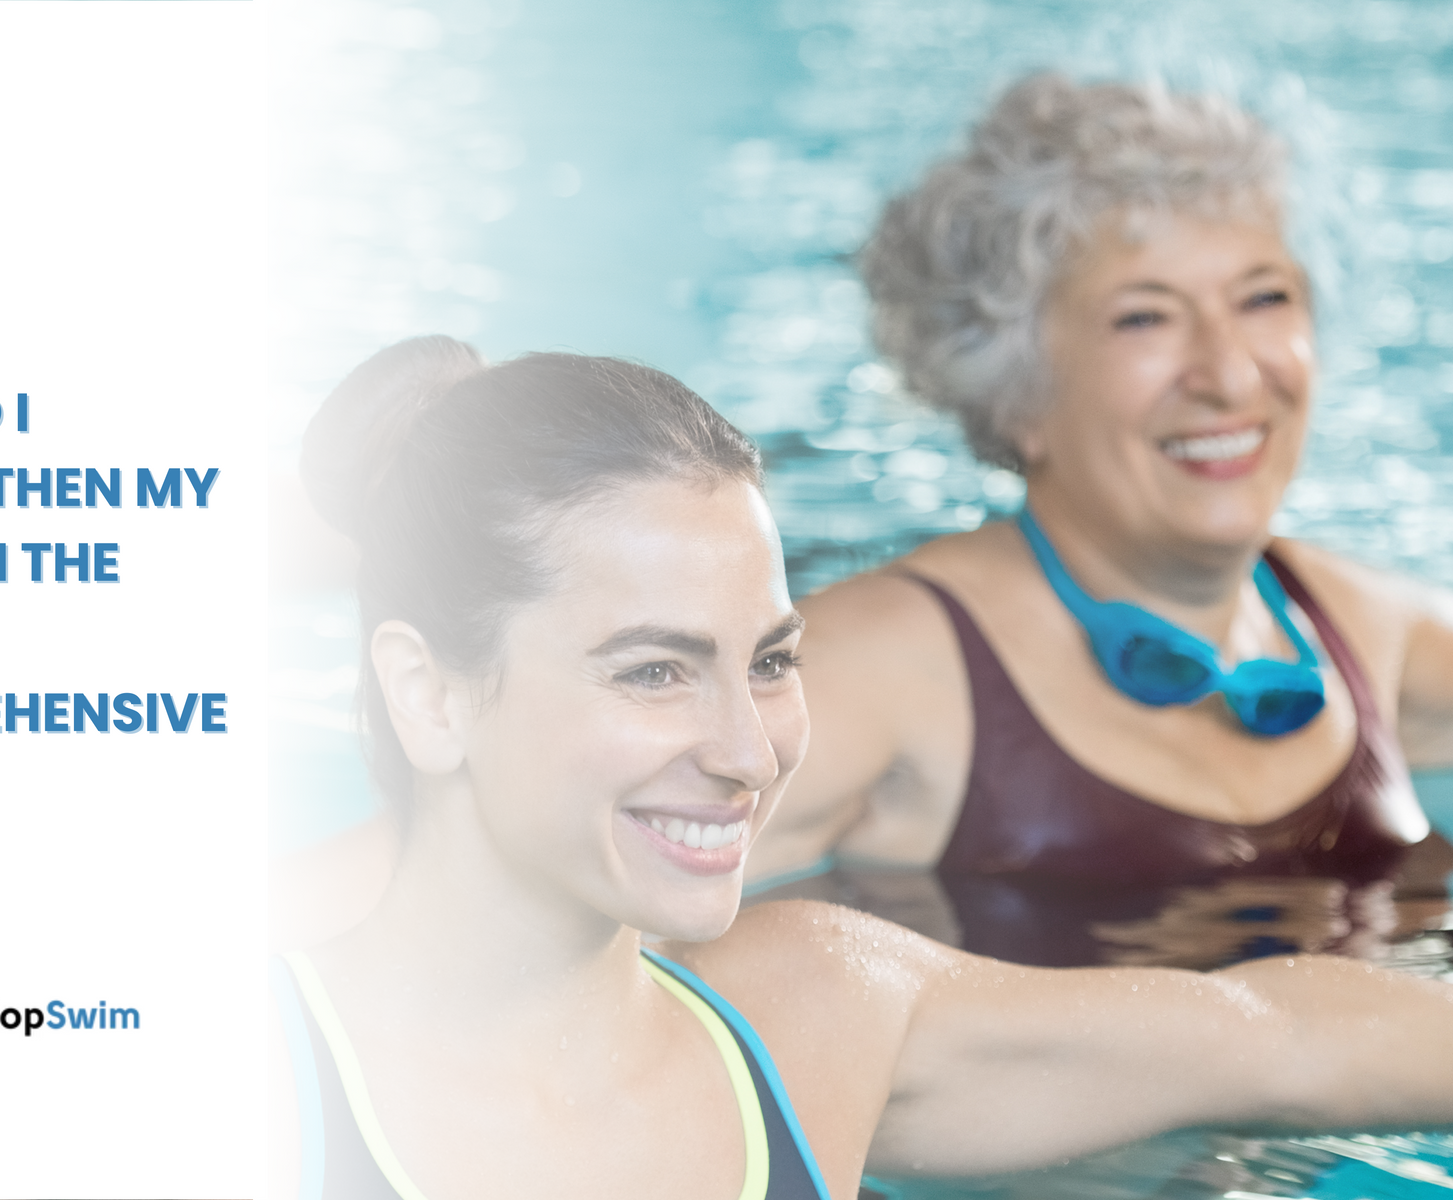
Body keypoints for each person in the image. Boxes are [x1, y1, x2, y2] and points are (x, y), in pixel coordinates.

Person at [268, 337, 1453, 1198]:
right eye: (652, 672)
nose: (748, 753)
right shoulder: (235, 1075)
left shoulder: (810, 1022)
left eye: (772, 660)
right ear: (429, 694)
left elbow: (1283, 1033)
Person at [749, 75, 1453, 923]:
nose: (1230, 377)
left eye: (1264, 298)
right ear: (1016, 391)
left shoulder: (1367, 631)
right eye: (1144, 318)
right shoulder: (883, 667)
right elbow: (580, 904)